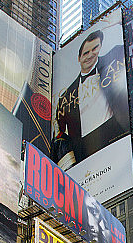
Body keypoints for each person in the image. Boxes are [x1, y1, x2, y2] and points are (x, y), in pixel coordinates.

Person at [54, 28, 129, 167]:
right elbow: (61, 134)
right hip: (85, 151)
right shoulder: (65, 96)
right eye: (86, 53)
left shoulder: (113, 58)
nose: (90, 55)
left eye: (95, 48)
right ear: (79, 58)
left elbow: (128, 44)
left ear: (100, 47)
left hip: (116, 134)